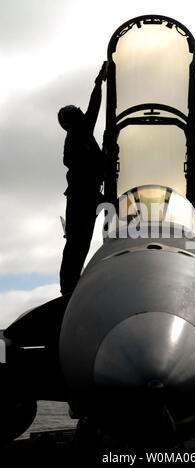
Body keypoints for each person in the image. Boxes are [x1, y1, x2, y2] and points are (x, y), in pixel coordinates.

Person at [58, 61, 108, 295]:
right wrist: (104, 160)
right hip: (81, 198)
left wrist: (98, 83)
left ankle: (70, 288)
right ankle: (68, 291)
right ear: (70, 123)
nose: (82, 116)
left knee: (81, 244)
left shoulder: (82, 132)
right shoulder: (76, 141)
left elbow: (94, 107)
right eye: (76, 115)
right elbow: (82, 166)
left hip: (90, 196)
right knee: (77, 245)